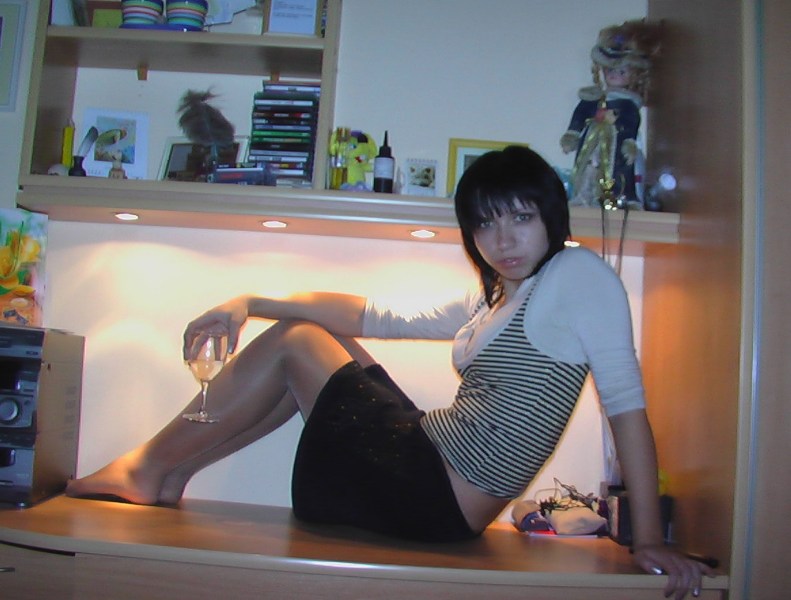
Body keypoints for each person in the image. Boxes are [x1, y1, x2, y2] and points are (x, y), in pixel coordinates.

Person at [66, 146, 712, 599]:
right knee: (315, 343)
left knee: (297, 344)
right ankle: (171, 473)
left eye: (521, 217)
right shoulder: (495, 297)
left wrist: (646, 540)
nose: (503, 240)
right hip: (429, 472)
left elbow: (625, 405)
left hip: (434, 491)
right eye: (485, 223)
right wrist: (250, 300)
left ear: (551, 217)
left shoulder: (575, 274)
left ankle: (146, 468)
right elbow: (376, 314)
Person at [560, 19, 661, 208]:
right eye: (610, 71)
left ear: (634, 75)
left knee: (619, 169)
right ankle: (583, 195)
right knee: (586, 167)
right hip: (591, 140)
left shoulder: (628, 103)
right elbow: (580, 114)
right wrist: (572, 133)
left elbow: (631, 123)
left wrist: (629, 142)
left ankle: (619, 198)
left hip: (615, 142)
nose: (614, 75)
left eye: (622, 72)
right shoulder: (593, 97)